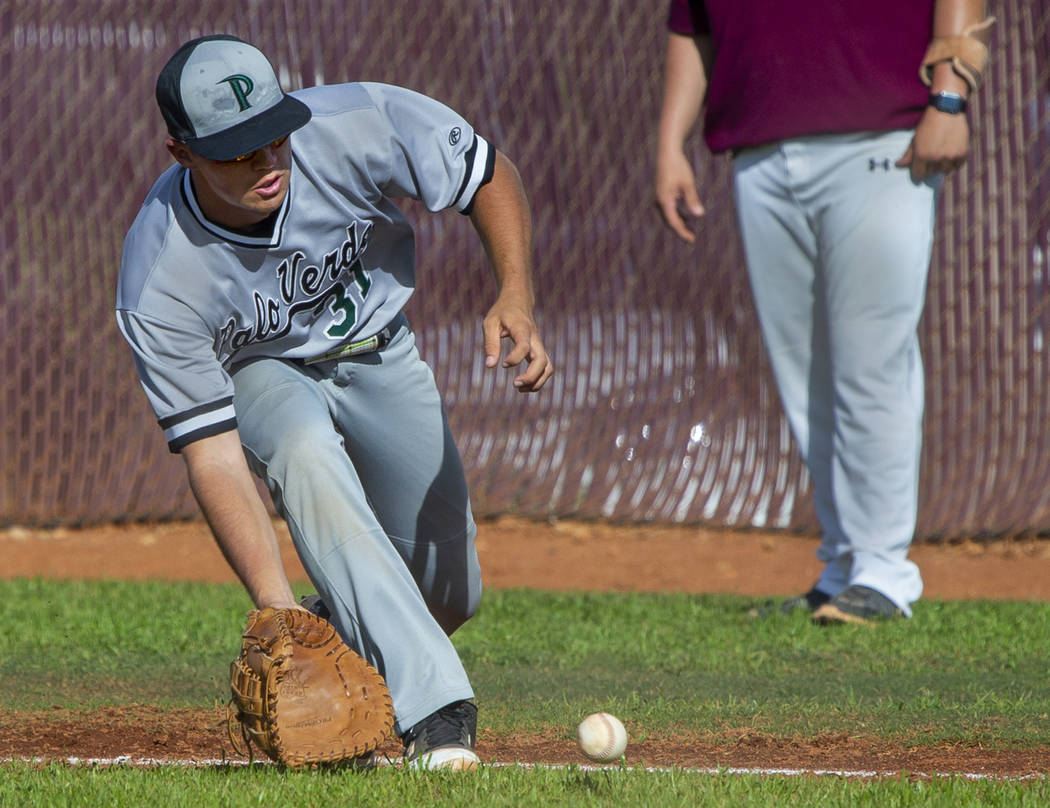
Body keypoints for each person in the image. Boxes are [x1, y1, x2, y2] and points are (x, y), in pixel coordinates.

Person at [116, 34, 552, 769]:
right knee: (304, 449)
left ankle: (338, 643)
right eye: (236, 150)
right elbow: (215, 456)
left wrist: (516, 293)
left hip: (380, 350)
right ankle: (439, 714)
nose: (266, 162)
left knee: (450, 594)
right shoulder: (160, 277)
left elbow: (486, 175)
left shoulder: (354, 122)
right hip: (264, 374)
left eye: (273, 137)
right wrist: (275, 606)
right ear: (180, 153)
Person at [654, 2, 993, 624]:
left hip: (881, 136)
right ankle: (843, 567)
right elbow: (692, 23)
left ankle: (884, 575)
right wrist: (670, 143)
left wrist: (950, 99)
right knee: (803, 372)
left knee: (871, 361)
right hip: (761, 151)